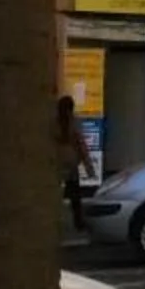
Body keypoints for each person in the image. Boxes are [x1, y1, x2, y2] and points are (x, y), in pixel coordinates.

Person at [58, 94, 92, 233]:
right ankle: (78, 223)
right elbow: (81, 146)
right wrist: (88, 166)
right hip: (71, 163)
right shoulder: (74, 123)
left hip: (56, 163)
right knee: (75, 195)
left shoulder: (54, 123)